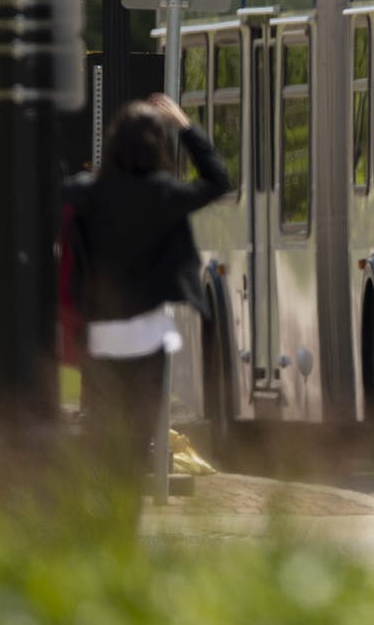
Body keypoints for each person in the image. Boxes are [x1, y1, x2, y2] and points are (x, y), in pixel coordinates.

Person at [65, 94, 230, 516]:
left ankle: (100, 498)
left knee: (103, 422)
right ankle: (127, 508)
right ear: (157, 146)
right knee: (141, 427)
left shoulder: (88, 194)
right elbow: (217, 181)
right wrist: (187, 128)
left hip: (101, 331)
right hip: (149, 333)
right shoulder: (163, 194)